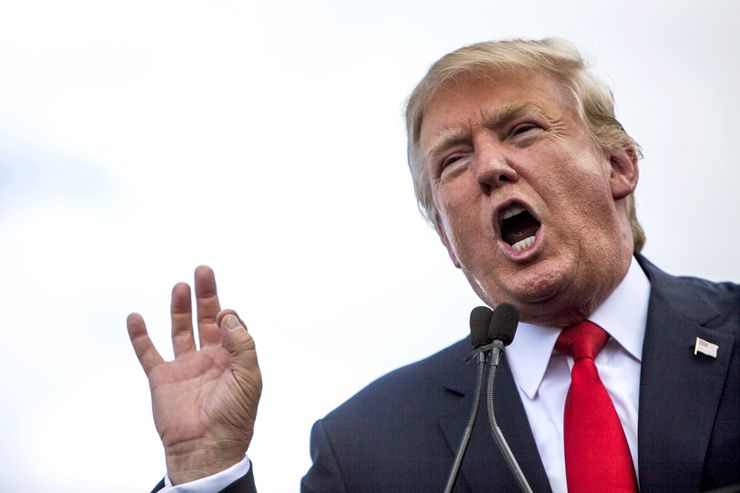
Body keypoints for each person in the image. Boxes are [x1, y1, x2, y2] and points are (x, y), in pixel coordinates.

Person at [127, 38, 740, 492]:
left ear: (619, 166)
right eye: (452, 161)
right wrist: (204, 467)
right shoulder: (370, 446)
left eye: (523, 131)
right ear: (448, 239)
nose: (489, 168)